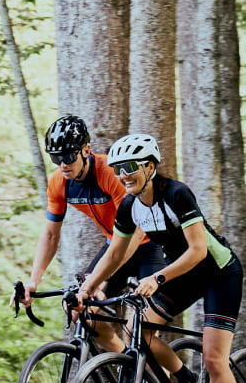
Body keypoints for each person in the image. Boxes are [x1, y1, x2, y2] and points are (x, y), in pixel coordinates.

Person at [77, 133, 246, 383]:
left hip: (219, 273)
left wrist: (157, 277)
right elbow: (115, 254)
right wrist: (88, 288)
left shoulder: (176, 194)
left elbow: (198, 250)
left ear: (150, 166)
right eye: (117, 169)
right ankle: (184, 379)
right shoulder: (130, 206)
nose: (123, 175)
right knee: (136, 332)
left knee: (214, 359)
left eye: (130, 167)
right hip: (184, 275)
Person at [22, 115, 166, 354]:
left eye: (68, 156)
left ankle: (166, 376)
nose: (62, 164)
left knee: (141, 329)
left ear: (86, 150)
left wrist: (100, 278)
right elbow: (50, 235)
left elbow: (137, 229)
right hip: (115, 245)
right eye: (56, 158)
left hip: (151, 245)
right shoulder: (59, 182)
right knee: (80, 309)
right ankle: (124, 364)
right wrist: (33, 281)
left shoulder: (111, 173)